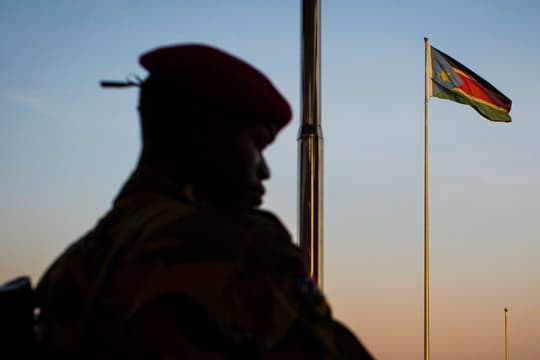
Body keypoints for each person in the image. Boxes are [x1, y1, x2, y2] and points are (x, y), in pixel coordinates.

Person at [35, 44, 373, 359]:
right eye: (256, 144)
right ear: (202, 131)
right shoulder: (235, 244)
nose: (264, 171)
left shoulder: (73, 265)